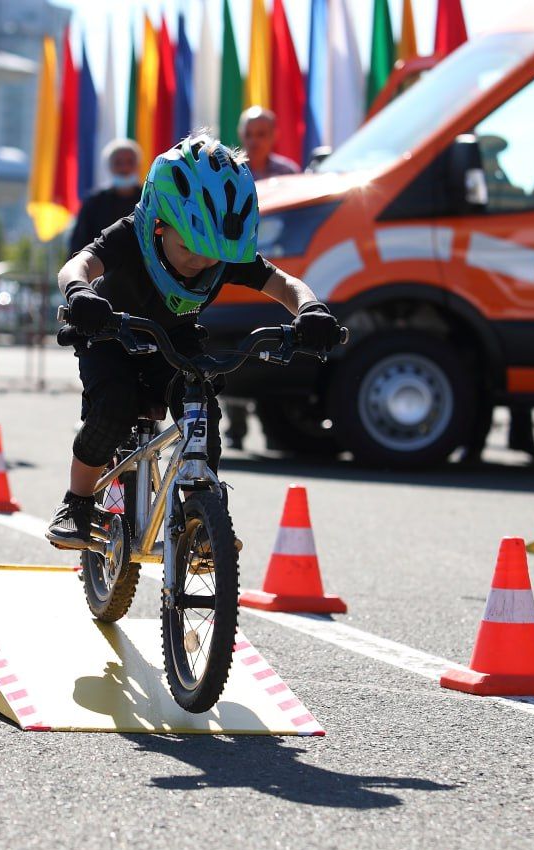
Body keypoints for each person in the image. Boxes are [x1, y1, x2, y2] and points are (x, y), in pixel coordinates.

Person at [46, 134, 342, 549]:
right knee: (112, 409)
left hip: (175, 339)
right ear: (160, 223)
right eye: (189, 247)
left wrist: (310, 310)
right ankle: (75, 502)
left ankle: (199, 511)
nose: (201, 261)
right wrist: (80, 292)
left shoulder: (219, 251)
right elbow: (78, 264)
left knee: (201, 407)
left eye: (214, 253)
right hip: (111, 334)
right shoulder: (132, 233)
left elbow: (284, 283)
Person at [68, 139, 143, 257]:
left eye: (130, 162)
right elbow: (78, 245)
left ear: (138, 165)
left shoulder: (150, 200)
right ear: (109, 166)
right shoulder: (93, 203)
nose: (124, 168)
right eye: (118, 163)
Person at [239, 107, 300, 181]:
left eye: (261, 134)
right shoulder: (230, 170)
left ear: (274, 136)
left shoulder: (288, 172)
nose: (253, 141)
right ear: (240, 135)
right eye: (248, 134)